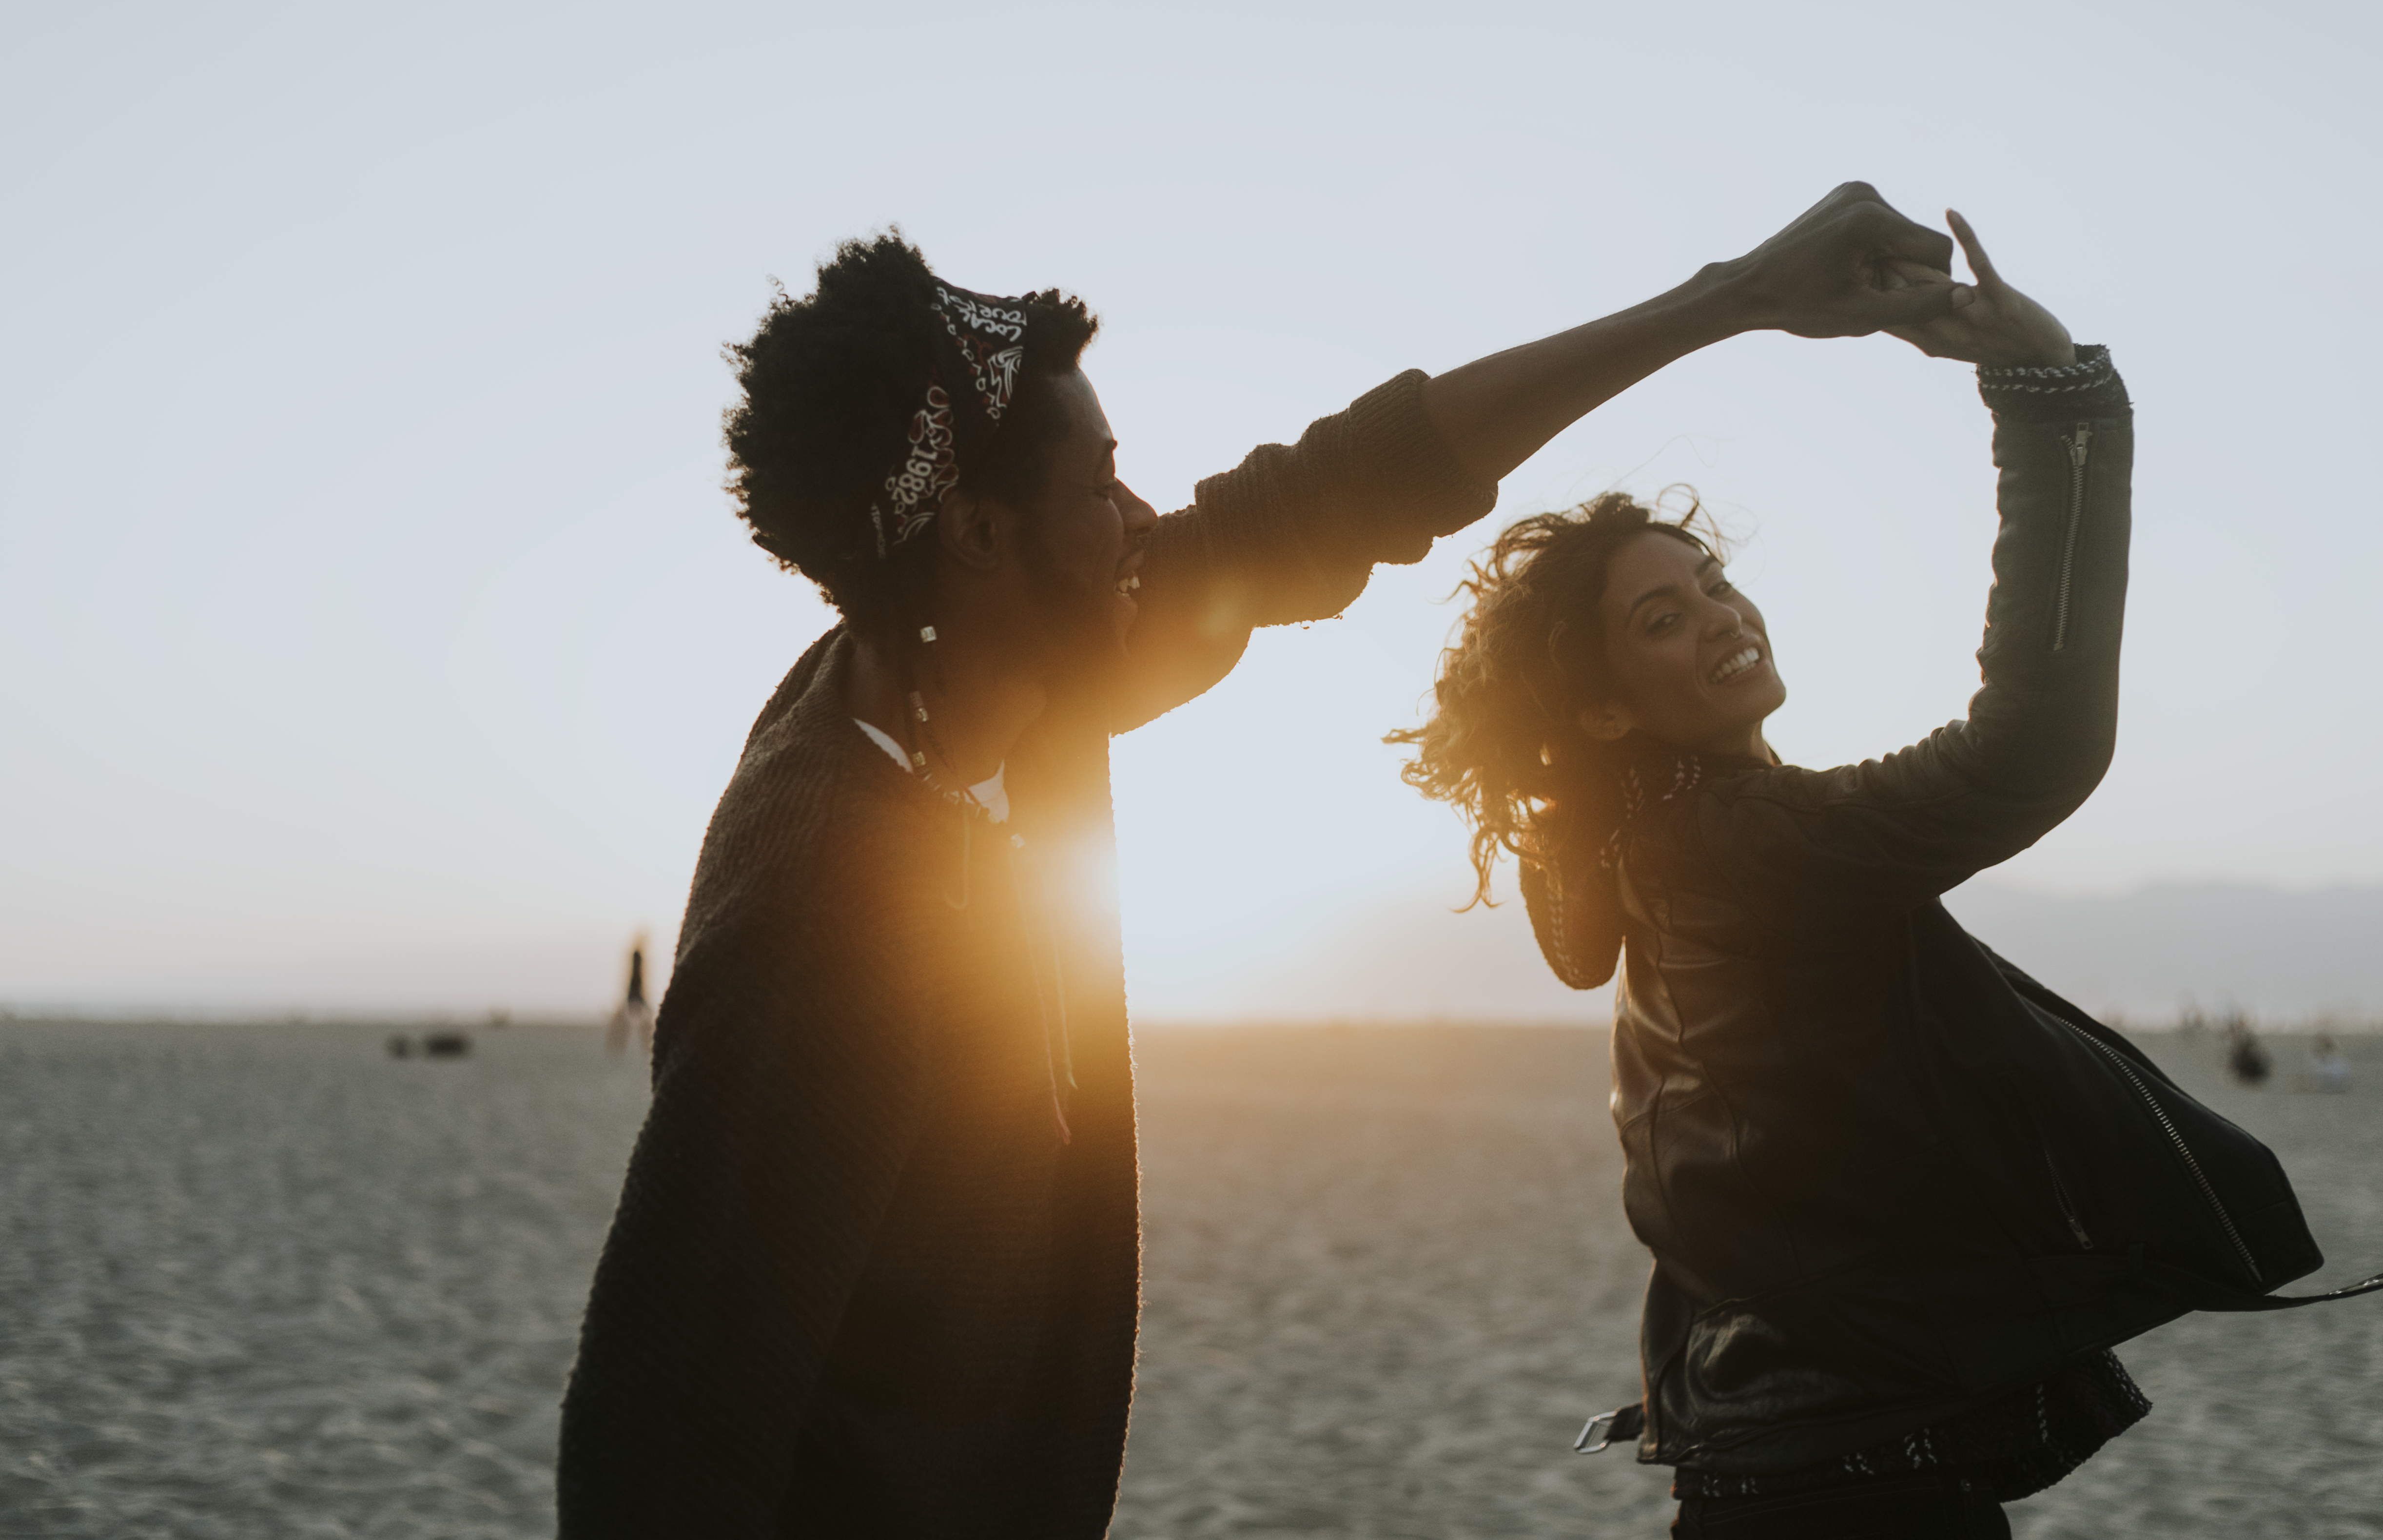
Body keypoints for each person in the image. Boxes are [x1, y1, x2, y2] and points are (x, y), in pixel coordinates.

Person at [555, 186, 1978, 1538]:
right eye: (1103, 482)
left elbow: (1348, 487)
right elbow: (661, 1441)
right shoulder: (822, 915)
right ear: (981, 534)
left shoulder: (1014, 673)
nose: (1141, 520)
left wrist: (1736, 298)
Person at [1394, 213, 2374, 1537]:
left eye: (1713, 582)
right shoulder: (1738, 850)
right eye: (1660, 619)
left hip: (1780, 1458)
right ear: (1607, 708)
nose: (1722, 617)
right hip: (1859, 1482)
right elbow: (2025, 744)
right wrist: (2050, 397)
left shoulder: (1645, 846)